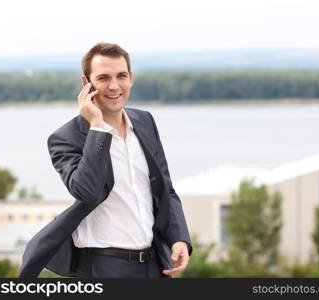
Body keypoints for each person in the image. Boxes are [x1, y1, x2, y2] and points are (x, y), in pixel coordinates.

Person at [19, 42, 192, 278]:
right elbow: (88, 192)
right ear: (86, 84)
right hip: (103, 268)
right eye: (103, 78)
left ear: (130, 78)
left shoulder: (145, 122)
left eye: (121, 76)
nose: (114, 86)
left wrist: (178, 238)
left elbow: (165, 189)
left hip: (155, 266)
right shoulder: (65, 139)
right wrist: (98, 128)